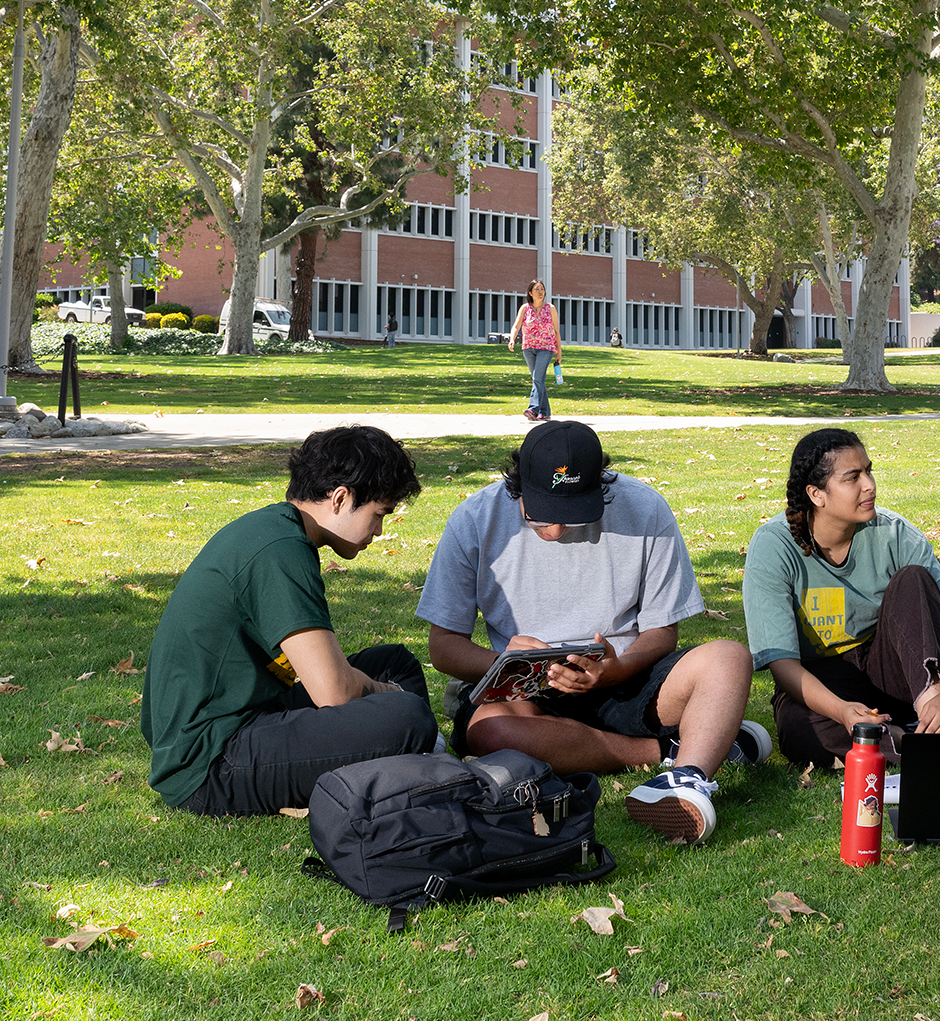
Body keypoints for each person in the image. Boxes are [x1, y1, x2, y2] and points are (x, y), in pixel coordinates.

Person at [417, 420, 767, 845]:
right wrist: (504, 662)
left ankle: (687, 781)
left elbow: (661, 632)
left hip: (627, 679)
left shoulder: (645, 507)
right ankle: (675, 751)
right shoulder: (474, 520)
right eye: (541, 514)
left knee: (730, 657)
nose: (556, 530)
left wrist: (616, 670)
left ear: (601, 483)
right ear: (518, 484)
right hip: (528, 693)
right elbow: (443, 648)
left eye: (572, 515)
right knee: (490, 732)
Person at [141, 426, 439, 816]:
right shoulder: (280, 551)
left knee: (395, 663)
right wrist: (390, 696)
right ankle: (408, 754)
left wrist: (380, 688)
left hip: (246, 715)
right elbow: (334, 692)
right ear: (340, 498)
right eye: (378, 514)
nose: (379, 532)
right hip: (210, 762)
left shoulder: (276, 529)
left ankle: (404, 755)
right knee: (407, 715)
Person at [743, 428, 940, 767]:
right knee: (799, 731)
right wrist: (841, 711)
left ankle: (932, 708)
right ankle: (905, 740)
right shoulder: (773, 546)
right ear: (817, 494)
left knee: (913, 578)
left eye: (868, 471)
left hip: (893, 673)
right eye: (853, 477)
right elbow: (783, 667)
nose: (869, 485)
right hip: (823, 684)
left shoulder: (894, 533)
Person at [506, 280, 560, 421]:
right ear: (530, 293)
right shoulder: (525, 308)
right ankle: (545, 412)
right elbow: (516, 326)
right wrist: (512, 339)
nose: (540, 292)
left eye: (542, 289)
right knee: (538, 379)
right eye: (537, 289)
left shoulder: (551, 308)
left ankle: (533, 409)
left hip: (546, 348)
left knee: (537, 378)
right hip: (528, 348)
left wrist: (559, 352)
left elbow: (556, 331)